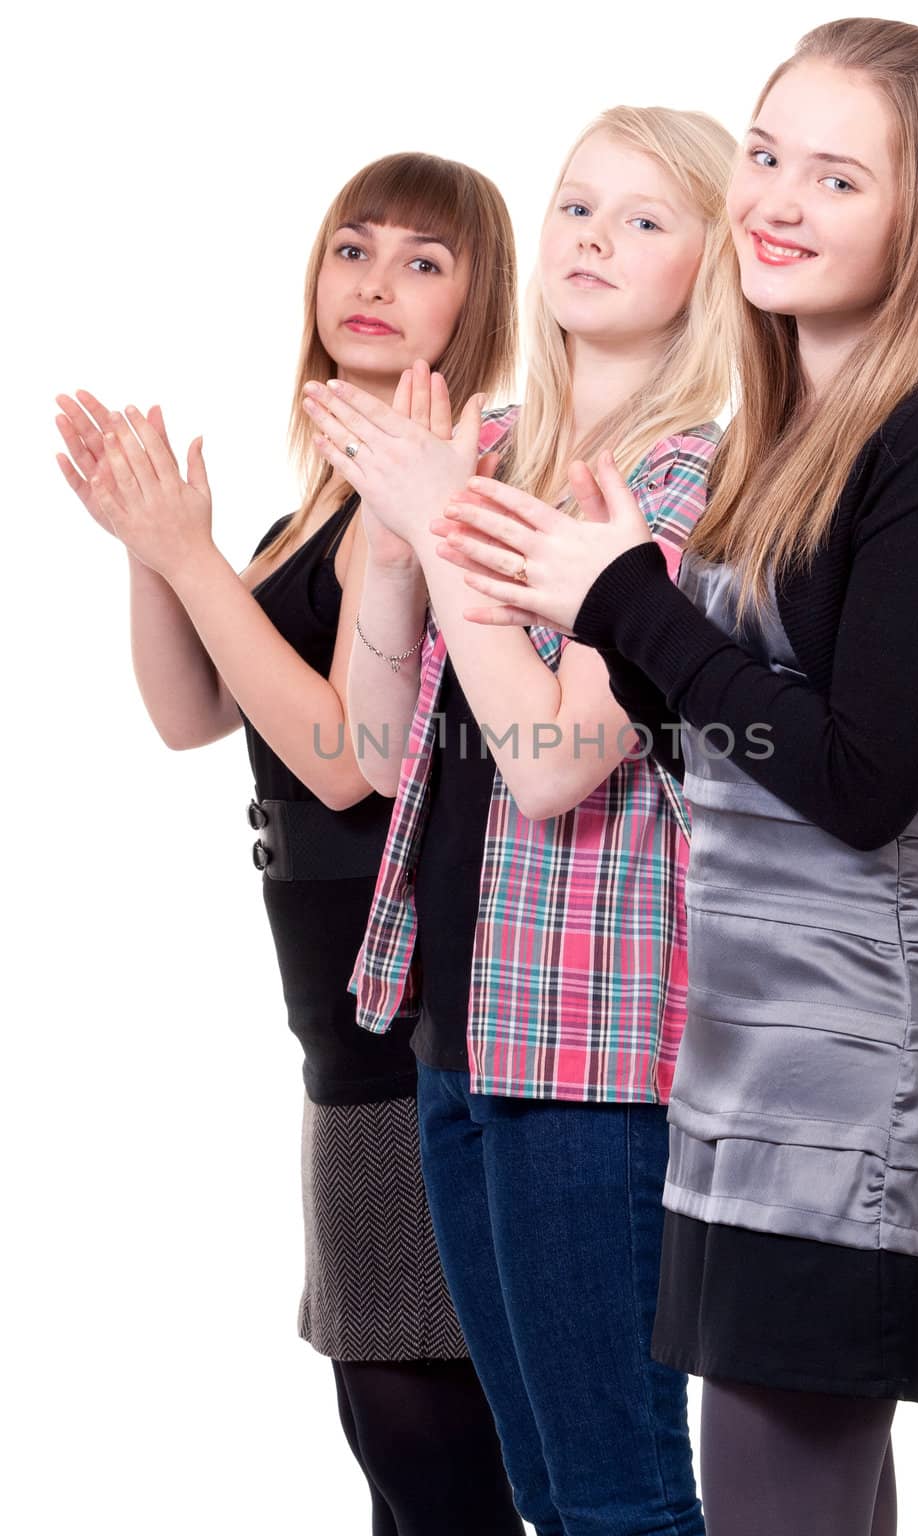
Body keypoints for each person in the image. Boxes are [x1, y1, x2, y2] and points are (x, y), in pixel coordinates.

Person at [439, 20, 918, 1536]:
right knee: (791, 1496)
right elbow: (699, 724)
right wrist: (579, 593)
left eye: (836, 177)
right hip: (751, 1051)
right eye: (768, 156)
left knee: (780, 1498)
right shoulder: (792, 440)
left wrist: (628, 603)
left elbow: (853, 781)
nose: (775, 199)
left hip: (853, 1058)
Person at [54, 151, 525, 1536]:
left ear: (478, 302)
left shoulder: (450, 497)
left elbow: (343, 764)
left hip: (430, 1013)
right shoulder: (306, 515)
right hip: (340, 1022)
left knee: (427, 1432)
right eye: (354, 251)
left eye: (423, 263)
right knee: (396, 1428)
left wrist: (193, 558)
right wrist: (153, 547)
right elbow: (191, 714)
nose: (375, 285)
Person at [301, 105, 735, 1534]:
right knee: (542, 1489)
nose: (595, 240)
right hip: (455, 1021)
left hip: (594, 1048)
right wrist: (387, 543)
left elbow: (555, 760)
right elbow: (370, 745)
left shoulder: (698, 484)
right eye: (575, 208)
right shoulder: (481, 438)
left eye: (646, 219)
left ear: (712, 266)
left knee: (616, 1493)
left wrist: (435, 524)